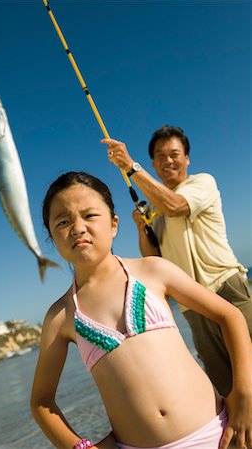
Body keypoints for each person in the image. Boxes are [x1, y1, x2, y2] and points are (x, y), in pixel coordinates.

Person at [30, 171, 251, 449]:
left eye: (89, 215)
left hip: (219, 434)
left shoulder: (153, 270)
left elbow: (229, 315)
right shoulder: (61, 316)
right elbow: (41, 401)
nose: (77, 227)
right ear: (52, 236)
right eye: (63, 221)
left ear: (113, 224)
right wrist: (80, 447)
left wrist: (243, 394)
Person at [101, 127, 252, 398]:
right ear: (153, 164)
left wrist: (130, 167)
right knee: (227, 389)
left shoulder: (201, 183)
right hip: (193, 306)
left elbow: (175, 206)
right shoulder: (156, 209)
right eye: (160, 156)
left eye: (174, 154)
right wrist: (141, 227)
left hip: (228, 289)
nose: (168, 161)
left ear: (187, 158)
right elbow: (153, 259)